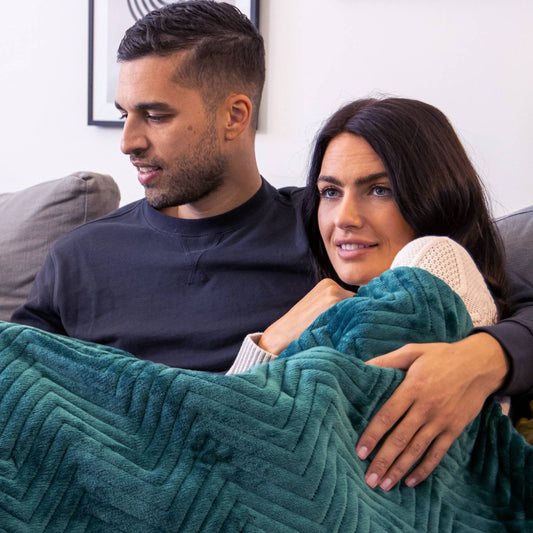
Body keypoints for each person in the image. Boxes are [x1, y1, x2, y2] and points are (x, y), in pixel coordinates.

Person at [10, 1, 533, 489]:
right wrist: (272, 339)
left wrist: (484, 356)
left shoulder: (338, 234)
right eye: (124, 113)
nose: (128, 141)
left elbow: (477, 286)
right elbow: (16, 386)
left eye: (156, 115)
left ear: (235, 115)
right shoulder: (81, 258)